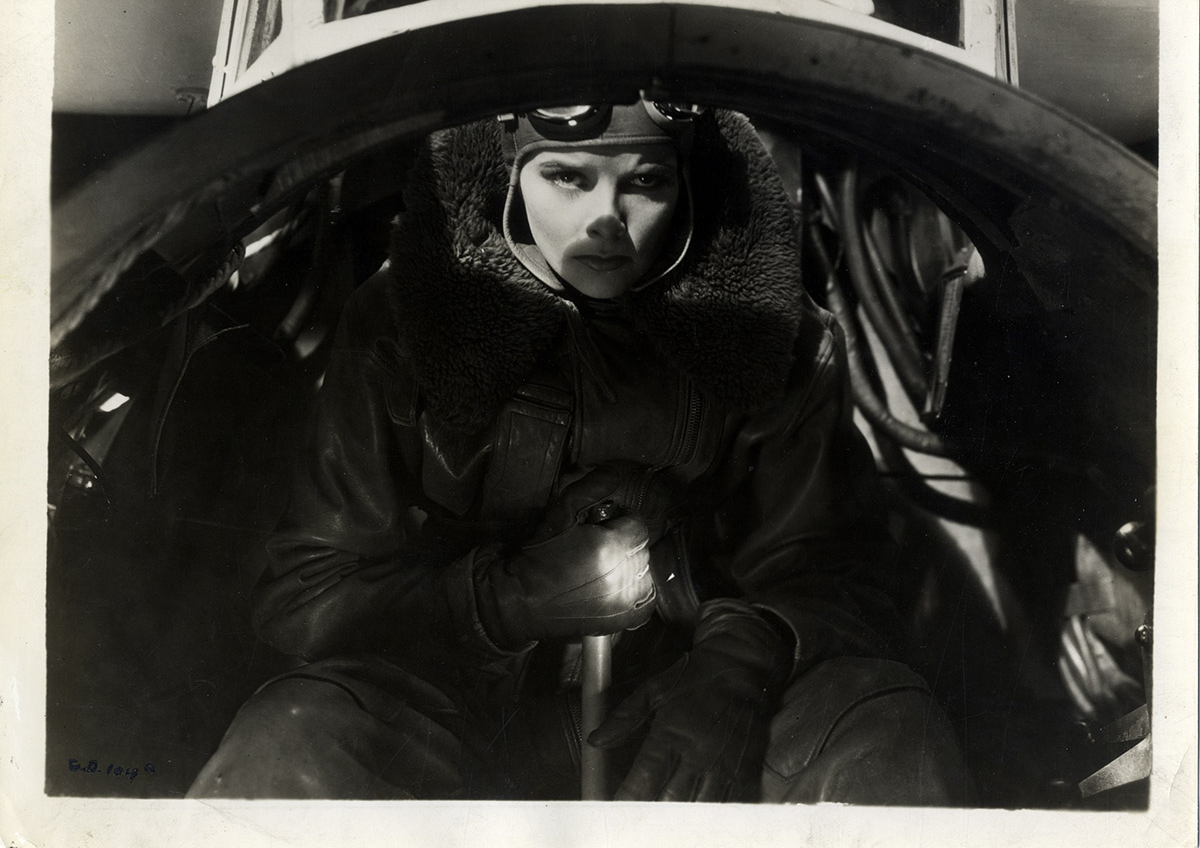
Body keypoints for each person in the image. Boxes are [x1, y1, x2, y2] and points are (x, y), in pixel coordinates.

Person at [188, 101, 969, 802]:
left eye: (645, 181)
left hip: (684, 699)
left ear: (687, 186)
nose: (608, 218)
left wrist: (739, 661)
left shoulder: (777, 341)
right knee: (292, 741)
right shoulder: (398, 329)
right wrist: (501, 600)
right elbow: (304, 595)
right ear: (509, 173)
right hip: (441, 699)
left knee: (884, 724)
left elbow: (837, 568)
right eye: (567, 177)